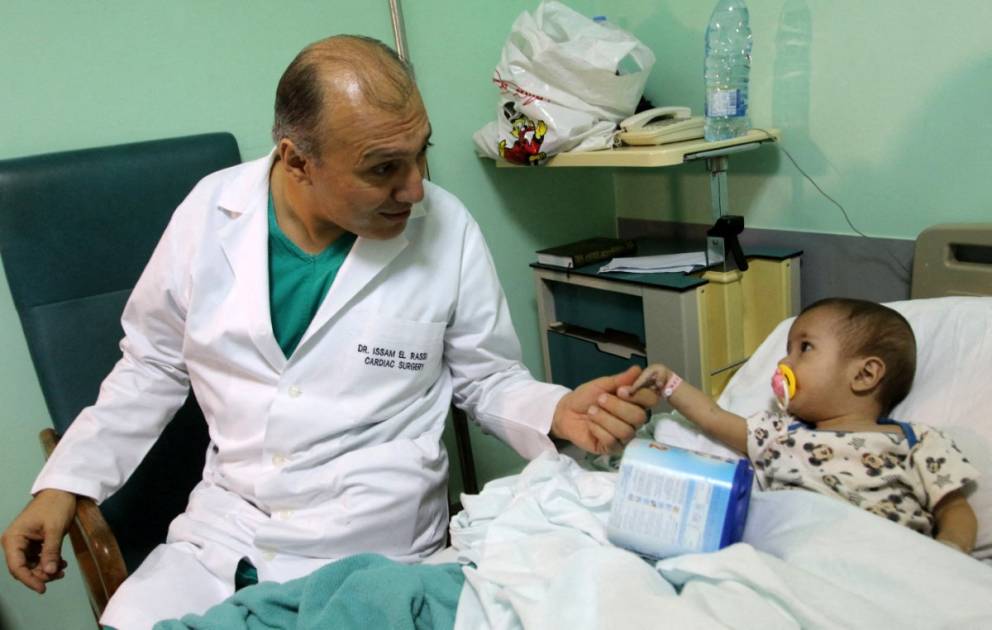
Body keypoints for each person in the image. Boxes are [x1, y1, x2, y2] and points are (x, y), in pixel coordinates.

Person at [1, 35, 658, 628]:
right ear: (297, 162)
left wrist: (557, 412)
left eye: (420, 154)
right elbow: (152, 365)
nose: (416, 189)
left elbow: (487, 378)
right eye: (383, 169)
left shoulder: (447, 228)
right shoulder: (210, 212)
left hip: (379, 556)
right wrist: (65, 484)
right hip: (225, 541)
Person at [626, 297, 979, 553]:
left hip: (886, 556)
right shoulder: (778, 432)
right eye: (787, 349)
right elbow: (713, 417)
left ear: (865, 374)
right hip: (795, 555)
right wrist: (669, 383)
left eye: (804, 348)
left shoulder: (918, 441)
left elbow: (953, 509)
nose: (784, 362)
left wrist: (950, 552)